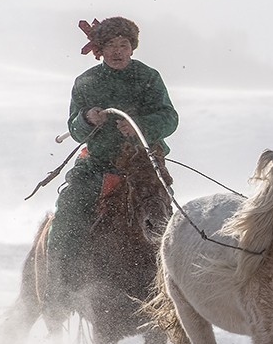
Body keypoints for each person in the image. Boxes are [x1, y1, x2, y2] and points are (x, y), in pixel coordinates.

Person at [46, 16, 180, 296]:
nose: (118, 51)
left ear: (132, 48)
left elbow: (169, 118)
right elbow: (75, 129)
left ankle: (176, 287)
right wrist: (86, 119)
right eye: (111, 45)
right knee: (68, 210)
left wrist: (140, 126)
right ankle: (59, 288)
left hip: (144, 169)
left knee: (166, 219)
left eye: (123, 45)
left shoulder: (148, 77)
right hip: (98, 169)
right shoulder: (86, 82)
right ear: (100, 50)